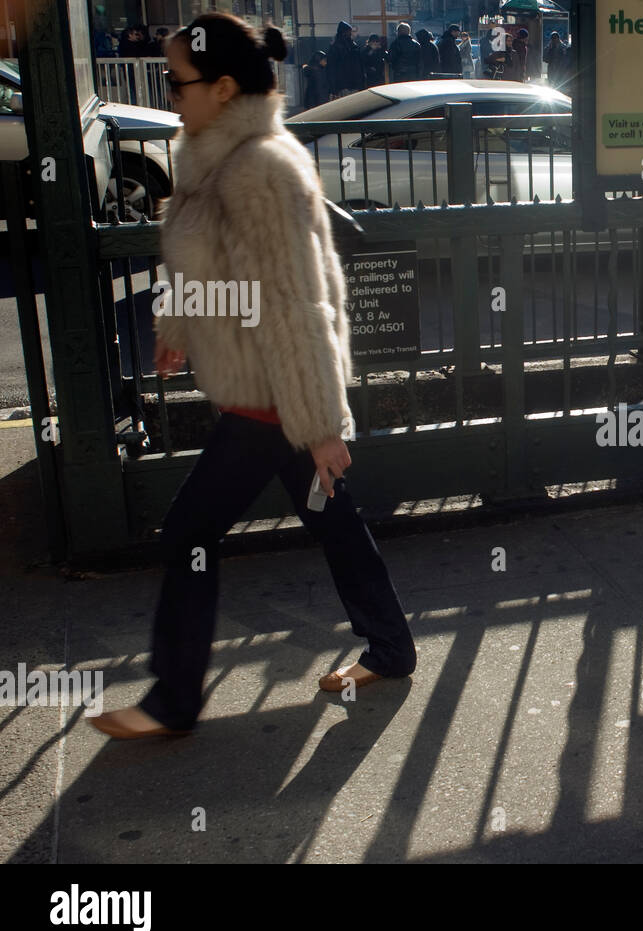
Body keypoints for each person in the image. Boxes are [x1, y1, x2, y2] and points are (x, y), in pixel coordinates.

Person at [87, 12, 417, 740]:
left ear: (225, 85)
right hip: (269, 394)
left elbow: (299, 306)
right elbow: (207, 260)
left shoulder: (260, 169)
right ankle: (390, 650)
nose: (171, 94)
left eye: (180, 81)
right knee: (335, 522)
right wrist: (179, 330)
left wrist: (323, 426)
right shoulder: (211, 155)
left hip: (275, 400)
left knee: (187, 534)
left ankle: (174, 701)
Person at [326, 21, 363, 98]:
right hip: (343, 85)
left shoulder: (353, 46)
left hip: (352, 84)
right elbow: (332, 69)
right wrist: (333, 88)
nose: (350, 34)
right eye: (349, 31)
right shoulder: (336, 48)